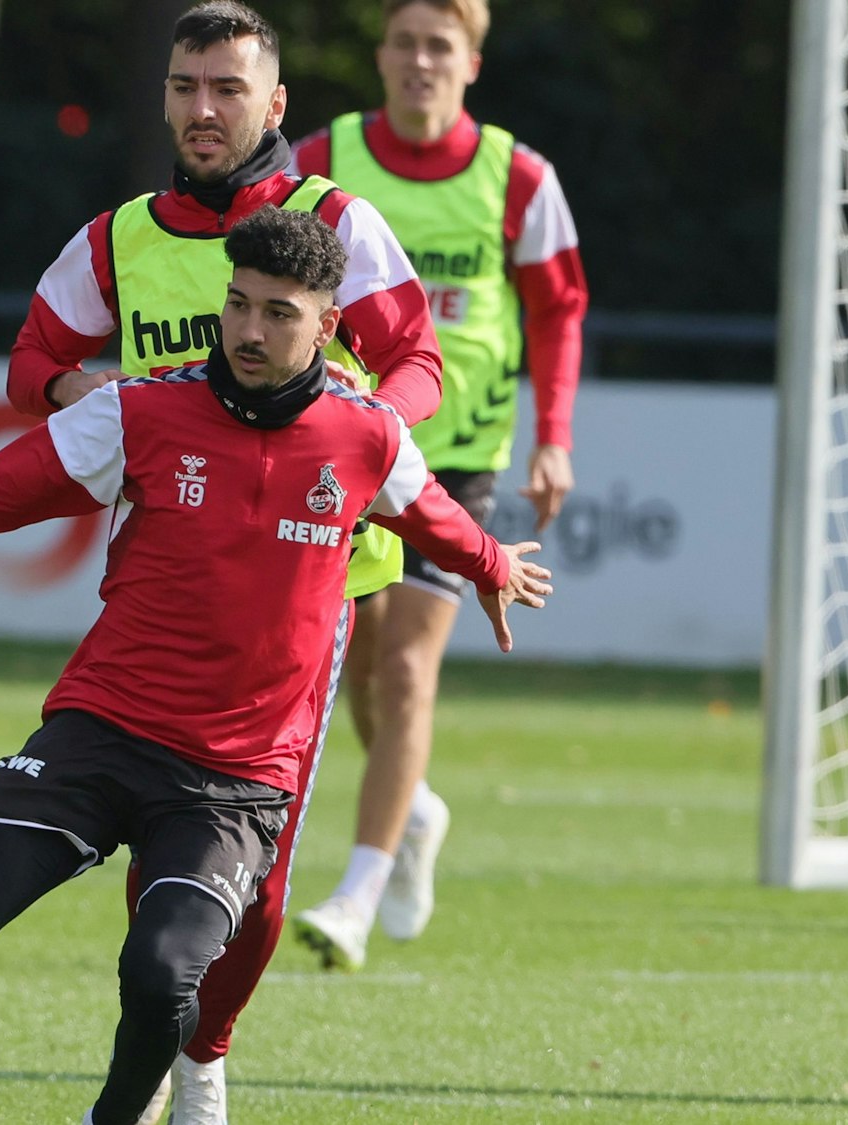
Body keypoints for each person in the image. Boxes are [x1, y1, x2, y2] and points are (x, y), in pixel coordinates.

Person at [0, 208, 551, 1125]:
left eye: (279, 313)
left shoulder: (368, 437)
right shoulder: (140, 409)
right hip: (101, 731)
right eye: (239, 305)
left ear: (329, 327)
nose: (250, 331)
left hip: (232, 780)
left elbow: (435, 517)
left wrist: (493, 565)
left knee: (160, 974)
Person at [7, 2, 443, 1117]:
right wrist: (88, 391)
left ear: (274, 103)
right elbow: (32, 361)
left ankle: (205, 1052)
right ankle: (164, 1039)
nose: (203, 109)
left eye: (228, 89)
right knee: (160, 847)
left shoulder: (333, 219)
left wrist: (360, 439)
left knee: (255, 874)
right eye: (184, 86)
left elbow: (417, 363)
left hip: (308, 596)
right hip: (162, 587)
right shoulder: (119, 236)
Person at [286, 0, 588, 970]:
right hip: (347, 444)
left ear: (471, 64)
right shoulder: (321, 160)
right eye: (405, 43)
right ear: (379, 56)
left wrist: (553, 437)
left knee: (410, 669)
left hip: (455, 455)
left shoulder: (517, 177)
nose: (420, 61)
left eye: (439, 46)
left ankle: (356, 894)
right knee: (359, 666)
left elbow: (557, 310)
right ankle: (411, 808)